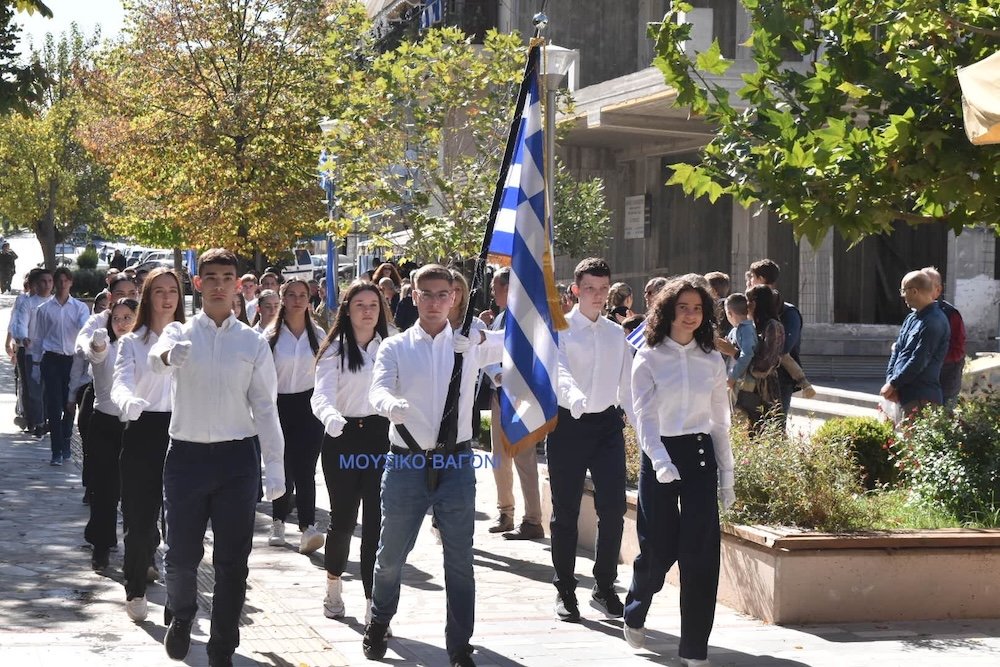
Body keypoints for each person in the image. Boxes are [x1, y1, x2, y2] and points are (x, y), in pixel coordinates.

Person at [149, 249, 285, 666]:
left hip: (236, 460)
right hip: (186, 458)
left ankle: (223, 641)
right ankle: (184, 615)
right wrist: (171, 357)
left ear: (238, 284)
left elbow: (265, 406)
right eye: (211, 277)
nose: (220, 284)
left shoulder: (253, 342)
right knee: (181, 553)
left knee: (232, 558)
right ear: (198, 283)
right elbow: (156, 361)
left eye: (228, 277)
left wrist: (275, 468)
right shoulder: (178, 333)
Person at [364, 264, 502, 666]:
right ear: (413, 296)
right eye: (428, 294)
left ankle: (459, 644)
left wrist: (480, 337)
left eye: (445, 294)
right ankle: (379, 619)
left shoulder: (469, 342)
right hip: (407, 461)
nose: (437, 301)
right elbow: (378, 388)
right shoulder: (395, 346)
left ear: (456, 297)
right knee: (391, 554)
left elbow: (523, 341)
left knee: (460, 559)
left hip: (456, 462)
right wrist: (390, 405)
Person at [622, 279, 735, 667]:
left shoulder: (712, 359)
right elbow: (643, 418)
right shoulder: (649, 356)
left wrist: (728, 474)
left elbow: (720, 420)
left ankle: (694, 649)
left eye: (698, 308)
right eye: (684, 307)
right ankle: (636, 605)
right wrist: (659, 460)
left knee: (701, 554)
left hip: (700, 455)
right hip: (660, 457)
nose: (690, 315)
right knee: (660, 549)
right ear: (668, 310)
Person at [549, 257, 634, 623]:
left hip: (607, 427)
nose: (597, 296)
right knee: (565, 511)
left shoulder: (618, 334)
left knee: (613, 509)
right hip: (568, 424)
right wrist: (574, 398)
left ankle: (604, 586)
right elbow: (560, 373)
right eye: (589, 289)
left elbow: (628, 386)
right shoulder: (561, 330)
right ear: (575, 290)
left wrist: (639, 423)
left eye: (603, 289)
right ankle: (565, 589)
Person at [312, 281, 390, 622]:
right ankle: (333, 585)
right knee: (343, 520)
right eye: (360, 304)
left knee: (376, 522)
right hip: (342, 436)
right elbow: (321, 394)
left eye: (374, 304)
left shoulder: (390, 347)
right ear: (347, 309)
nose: (368, 310)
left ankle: (374, 603)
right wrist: (330, 416)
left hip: (380, 438)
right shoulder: (334, 350)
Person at [112, 267, 186, 623]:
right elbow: (121, 382)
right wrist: (129, 403)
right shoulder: (132, 341)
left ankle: (177, 598)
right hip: (143, 431)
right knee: (141, 523)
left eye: (173, 290)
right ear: (147, 296)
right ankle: (136, 587)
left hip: (185, 433)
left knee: (181, 526)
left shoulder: (191, 337)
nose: (167, 297)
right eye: (159, 291)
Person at [481, 267, 544, 540]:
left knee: (525, 460)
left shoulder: (528, 317)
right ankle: (506, 512)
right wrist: (495, 373)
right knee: (500, 459)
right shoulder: (499, 319)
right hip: (499, 394)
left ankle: (532, 520)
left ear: (509, 289)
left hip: (522, 395)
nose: (493, 294)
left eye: (497, 288)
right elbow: (488, 353)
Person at [265, 278, 326, 554]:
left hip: (309, 405)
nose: (298, 300)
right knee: (282, 466)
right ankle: (278, 520)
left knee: (305, 468)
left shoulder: (319, 334)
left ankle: (307, 526)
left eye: (303, 295)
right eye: (292, 295)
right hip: (279, 405)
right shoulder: (271, 336)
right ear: (283, 298)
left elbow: (327, 371)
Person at [82, 297, 138, 570]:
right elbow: (96, 353)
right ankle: (101, 545)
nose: (121, 323)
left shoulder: (143, 347)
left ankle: (144, 550)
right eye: (117, 318)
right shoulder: (106, 344)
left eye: (127, 317)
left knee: (139, 492)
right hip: (104, 423)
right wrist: (98, 343)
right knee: (103, 490)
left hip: (136, 426)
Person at [29, 267, 90, 465]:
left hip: (72, 360)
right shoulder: (44, 309)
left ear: (71, 283)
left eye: (66, 280)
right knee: (54, 405)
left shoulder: (79, 308)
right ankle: (56, 449)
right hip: (52, 359)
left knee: (69, 403)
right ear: (55, 283)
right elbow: (38, 338)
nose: (63, 284)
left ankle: (65, 439)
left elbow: (84, 327)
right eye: (60, 280)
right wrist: (36, 365)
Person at [880, 270, 950, 415]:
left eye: (903, 290)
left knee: (913, 437)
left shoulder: (934, 321)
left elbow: (919, 359)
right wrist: (891, 382)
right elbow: (898, 351)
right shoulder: (911, 318)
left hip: (921, 396)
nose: (902, 295)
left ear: (914, 291)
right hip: (903, 394)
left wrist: (893, 384)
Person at [748, 259, 802, 424]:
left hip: (780, 379)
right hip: (755, 379)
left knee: (775, 426)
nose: (749, 282)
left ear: (761, 279)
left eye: (752, 277)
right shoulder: (751, 309)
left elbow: (783, 347)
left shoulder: (788, 312)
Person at [15, 268, 53, 436]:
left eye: (50, 281)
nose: (47, 285)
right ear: (36, 285)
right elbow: (21, 323)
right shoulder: (28, 303)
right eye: (43, 282)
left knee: (50, 390)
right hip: (33, 353)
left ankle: (47, 419)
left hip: (52, 353)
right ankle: (38, 422)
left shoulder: (56, 303)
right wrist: (24, 337)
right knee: (35, 390)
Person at [922, 266, 966, 406]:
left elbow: (957, 351)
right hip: (921, 383)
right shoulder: (915, 313)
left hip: (945, 382)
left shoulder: (951, 314)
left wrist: (932, 359)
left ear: (938, 290)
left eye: (926, 285)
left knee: (943, 422)